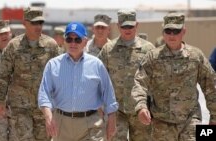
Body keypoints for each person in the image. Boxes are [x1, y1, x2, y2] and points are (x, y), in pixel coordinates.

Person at [131, 12, 216, 141]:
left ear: (184, 31)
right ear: (163, 32)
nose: (172, 35)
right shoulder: (152, 57)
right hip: (161, 123)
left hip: (190, 121)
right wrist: (141, 107)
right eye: (168, 31)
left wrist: (214, 117)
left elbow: (211, 86)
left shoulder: (196, 56)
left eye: (176, 31)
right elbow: (139, 83)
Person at [38, 22, 119, 141]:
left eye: (77, 39)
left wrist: (112, 120)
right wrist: (48, 116)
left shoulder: (96, 65)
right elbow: (44, 93)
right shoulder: (53, 65)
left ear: (85, 41)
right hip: (62, 124)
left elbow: (108, 94)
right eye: (69, 39)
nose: (73, 43)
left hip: (91, 124)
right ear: (64, 40)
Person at [0, 7, 59, 141]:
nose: (38, 26)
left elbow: (60, 75)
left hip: (44, 107)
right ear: (25, 23)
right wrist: (0, 100)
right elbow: (3, 75)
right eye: (34, 23)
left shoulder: (51, 46)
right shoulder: (14, 46)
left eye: (40, 23)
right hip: (20, 106)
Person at [98, 9, 155, 141]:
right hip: (116, 110)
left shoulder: (148, 49)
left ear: (137, 25)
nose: (127, 29)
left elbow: (156, 79)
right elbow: (99, 77)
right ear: (118, 26)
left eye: (130, 26)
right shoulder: (108, 49)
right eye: (124, 26)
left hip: (140, 109)